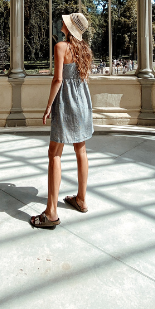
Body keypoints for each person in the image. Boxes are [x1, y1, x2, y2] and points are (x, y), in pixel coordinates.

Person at [30, 13, 94, 229]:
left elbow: (58, 79)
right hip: (83, 103)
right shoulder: (85, 49)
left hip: (66, 103)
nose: (62, 24)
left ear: (69, 27)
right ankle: (81, 199)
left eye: (65, 22)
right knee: (81, 149)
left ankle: (51, 212)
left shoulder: (61, 47)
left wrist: (48, 106)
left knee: (54, 153)